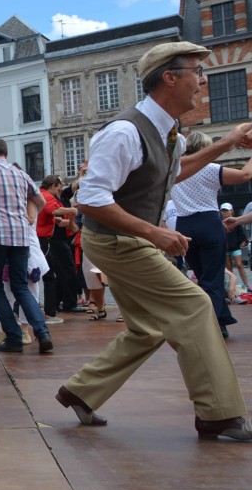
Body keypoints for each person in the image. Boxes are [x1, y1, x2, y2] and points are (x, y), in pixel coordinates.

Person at [56, 41, 252, 441]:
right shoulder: (124, 132)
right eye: (197, 71)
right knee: (196, 306)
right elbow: (90, 200)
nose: (202, 82)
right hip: (116, 241)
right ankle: (217, 413)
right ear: (170, 77)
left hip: (126, 239)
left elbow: (175, 172)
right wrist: (155, 232)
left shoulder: (170, 135)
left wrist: (227, 143)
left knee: (146, 329)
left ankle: (81, 391)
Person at [170, 131, 252, 337]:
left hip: (184, 224)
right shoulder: (210, 168)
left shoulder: (176, 170)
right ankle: (214, 323)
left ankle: (218, 319)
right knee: (212, 276)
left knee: (199, 275)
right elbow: (244, 175)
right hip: (208, 222)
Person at [0, 138, 52, 353]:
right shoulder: (21, 174)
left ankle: (14, 336)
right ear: (6, 154)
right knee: (20, 286)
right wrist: (28, 215)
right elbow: (41, 202)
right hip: (20, 236)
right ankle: (42, 331)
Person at [36, 175, 77, 317]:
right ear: (53, 185)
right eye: (58, 187)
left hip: (42, 239)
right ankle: (49, 312)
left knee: (45, 275)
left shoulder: (42, 194)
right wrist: (71, 211)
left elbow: (50, 215)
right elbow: (52, 210)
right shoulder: (47, 196)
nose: (60, 190)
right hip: (43, 240)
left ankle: (49, 310)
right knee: (49, 276)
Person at [222, 204, 250, 293]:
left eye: (227, 210)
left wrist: (243, 240)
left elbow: (241, 233)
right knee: (229, 267)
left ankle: (247, 285)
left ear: (232, 211)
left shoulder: (236, 222)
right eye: (223, 210)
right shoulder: (220, 223)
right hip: (225, 248)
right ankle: (232, 288)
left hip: (235, 247)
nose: (225, 212)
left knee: (239, 264)